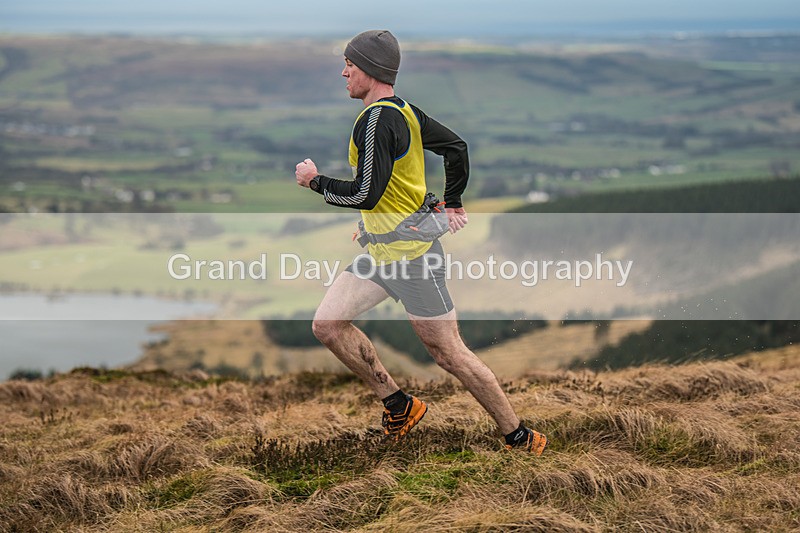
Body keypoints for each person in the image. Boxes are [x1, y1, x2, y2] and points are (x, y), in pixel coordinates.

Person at [294, 30, 547, 455]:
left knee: (449, 354)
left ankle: (519, 436)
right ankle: (399, 403)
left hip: (413, 259)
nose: (344, 72)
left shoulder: (376, 120)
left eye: (350, 65)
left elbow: (364, 193)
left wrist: (314, 181)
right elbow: (455, 149)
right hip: (381, 251)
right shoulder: (405, 112)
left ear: (370, 70)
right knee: (327, 325)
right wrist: (449, 202)